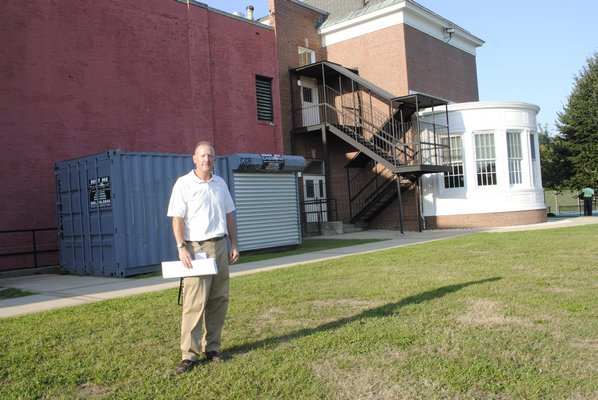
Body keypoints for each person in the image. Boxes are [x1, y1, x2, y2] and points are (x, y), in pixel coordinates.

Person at [167, 141, 239, 375]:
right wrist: (181, 247)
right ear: (194, 159)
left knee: (219, 299)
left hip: (220, 246)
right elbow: (177, 218)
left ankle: (213, 348)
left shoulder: (220, 184)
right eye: (202, 155)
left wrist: (233, 243)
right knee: (194, 303)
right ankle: (189, 355)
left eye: (210, 155)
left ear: (215, 159)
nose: (206, 159)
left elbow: (229, 214)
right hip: (196, 249)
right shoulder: (184, 184)